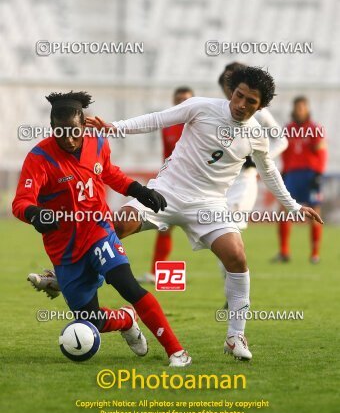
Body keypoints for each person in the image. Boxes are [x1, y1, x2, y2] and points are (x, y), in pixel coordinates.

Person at [84, 66, 322, 361]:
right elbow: (157, 119)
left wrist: (294, 206)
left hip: (209, 205)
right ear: (231, 91)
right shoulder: (202, 107)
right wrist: (114, 127)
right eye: (239, 95)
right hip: (168, 191)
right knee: (119, 225)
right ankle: (64, 274)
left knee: (236, 256)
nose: (241, 105)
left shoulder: (256, 136)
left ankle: (235, 336)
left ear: (260, 106)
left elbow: (269, 171)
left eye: (251, 102)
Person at [12, 91, 191, 367]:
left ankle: (177, 352)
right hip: (65, 250)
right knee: (89, 320)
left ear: (84, 125)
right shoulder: (39, 158)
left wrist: (140, 191)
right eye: (60, 133)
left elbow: (108, 173)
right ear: (52, 129)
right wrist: (36, 214)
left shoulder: (96, 140)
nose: (68, 140)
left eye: (74, 132)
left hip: (98, 230)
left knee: (128, 285)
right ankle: (125, 319)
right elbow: (21, 202)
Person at [218, 62, 288, 229]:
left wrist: (257, 160)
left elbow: (281, 140)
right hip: (220, 178)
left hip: (243, 179)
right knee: (215, 229)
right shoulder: (219, 110)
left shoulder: (259, 112)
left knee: (230, 228)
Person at [138, 86, 194, 284]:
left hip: (198, 186)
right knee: (164, 226)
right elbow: (167, 156)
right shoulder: (168, 127)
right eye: (179, 99)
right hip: (173, 184)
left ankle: (232, 277)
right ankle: (156, 273)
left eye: (186, 99)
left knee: (213, 233)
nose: (182, 103)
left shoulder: (199, 124)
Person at [273, 96, 327, 264]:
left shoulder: (314, 129)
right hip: (291, 175)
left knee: (315, 212)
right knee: (283, 211)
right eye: (297, 107)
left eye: (303, 107)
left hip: (310, 174)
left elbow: (322, 151)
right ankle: (284, 252)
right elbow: (284, 152)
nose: (300, 110)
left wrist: (319, 173)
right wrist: (283, 172)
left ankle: (315, 253)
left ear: (307, 109)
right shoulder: (287, 129)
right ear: (294, 108)